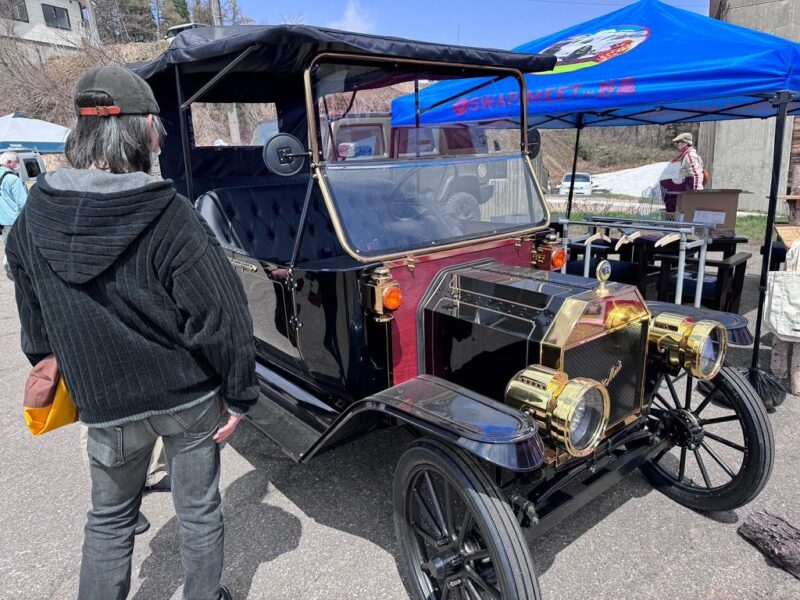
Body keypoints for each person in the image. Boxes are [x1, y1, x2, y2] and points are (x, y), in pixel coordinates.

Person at [5, 66, 257, 600]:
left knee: (110, 520)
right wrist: (239, 393)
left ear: (82, 131)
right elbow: (222, 314)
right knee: (198, 512)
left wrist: (49, 361)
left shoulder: (30, 218)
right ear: (145, 133)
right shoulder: (168, 212)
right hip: (186, 397)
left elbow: (35, 319)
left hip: (104, 402)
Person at [0, 151, 28, 274]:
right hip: (15, 218)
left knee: (7, 241)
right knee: (20, 243)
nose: (18, 165)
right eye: (17, 162)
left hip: (3, 218)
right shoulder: (13, 179)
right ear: (9, 163)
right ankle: (12, 265)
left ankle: (7, 262)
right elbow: (23, 202)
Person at [661, 132, 704, 212]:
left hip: (690, 187)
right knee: (670, 195)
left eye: (678, 142)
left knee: (671, 196)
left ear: (685, 143)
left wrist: (696, 191)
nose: (677, 144)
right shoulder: (686, 155)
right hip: (685, 186)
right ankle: (672, 219)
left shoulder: (690, 155)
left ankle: (671, 221)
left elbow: (696, 173)